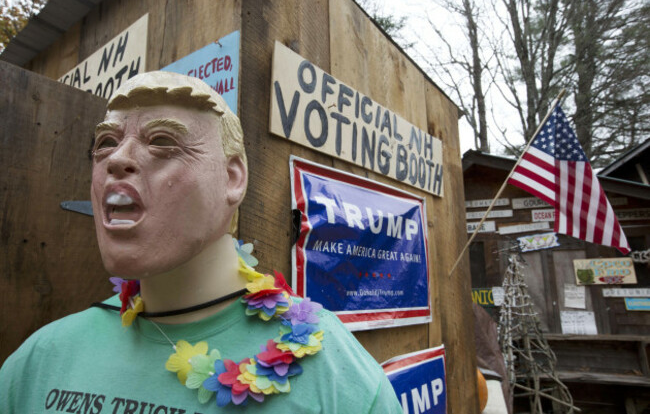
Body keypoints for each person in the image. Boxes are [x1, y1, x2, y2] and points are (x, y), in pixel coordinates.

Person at [0, 71, 402, 413]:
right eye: (105, 142)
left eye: (161, 141)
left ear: (232, 179)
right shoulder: (38, 360)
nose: (116, 158)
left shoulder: (337, 375)